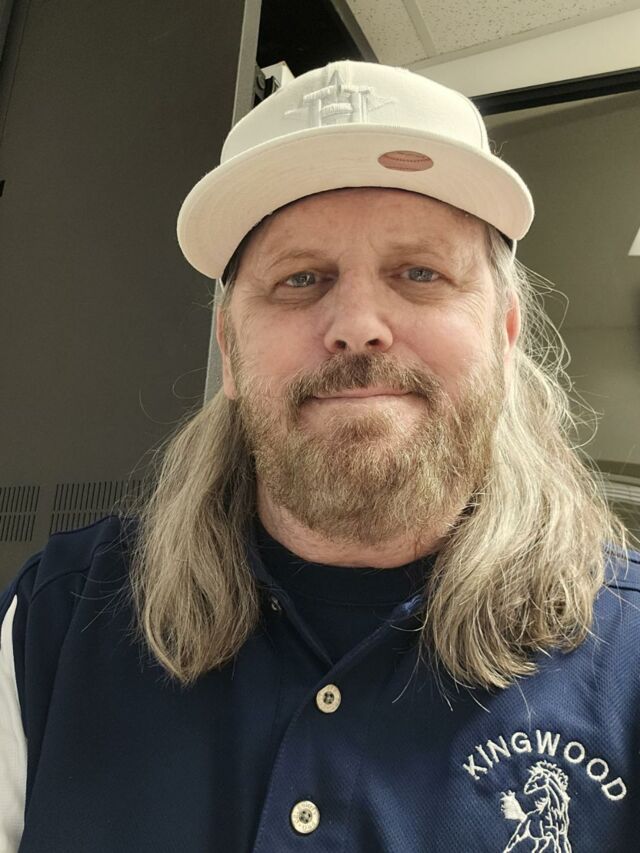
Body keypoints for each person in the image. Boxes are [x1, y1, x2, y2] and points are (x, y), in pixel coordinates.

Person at [1, 59, 638, 852]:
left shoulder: (628, 663)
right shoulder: (55, 624)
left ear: (505, 337)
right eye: (301, 278)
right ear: (230, 351)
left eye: (420, 272)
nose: (358, 324)